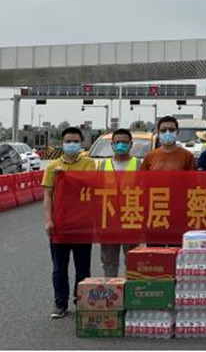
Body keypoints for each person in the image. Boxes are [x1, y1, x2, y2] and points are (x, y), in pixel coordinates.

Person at [42, 127, 97, 319]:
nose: (72, 144)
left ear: (81, 143)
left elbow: (91, 186)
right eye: (68, 141)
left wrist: (67, 176)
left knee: (83, 267)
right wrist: (49, 220)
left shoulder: (90, 164)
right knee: (59, 268)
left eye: (75, 141)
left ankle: (81, 301)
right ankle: (60, 303)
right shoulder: (52, 167)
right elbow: (48, 196)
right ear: (62, 143)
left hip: (82, 224)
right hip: (60, 224)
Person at [98, 128, 141, 277]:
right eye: (117, 142)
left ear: (131, 144)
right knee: (109, 261)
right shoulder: (103, 165)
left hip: (131, 218)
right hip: (109, 220)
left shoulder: (139, 165)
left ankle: (132, 289)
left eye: (124, 142)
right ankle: (112, 289)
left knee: (133, 260)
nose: (120, 145)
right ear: (112, 144)